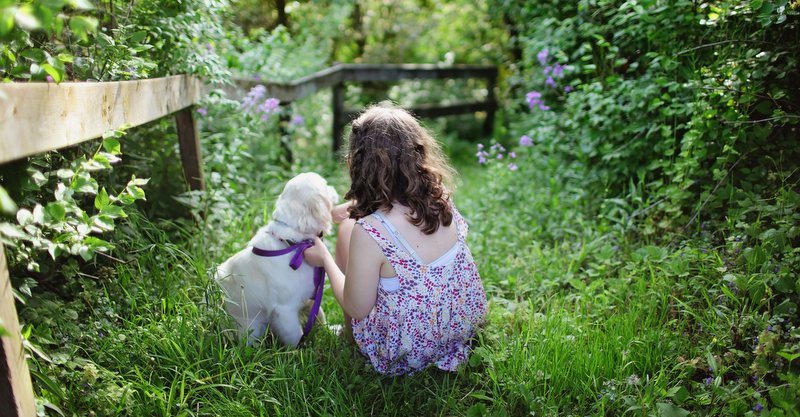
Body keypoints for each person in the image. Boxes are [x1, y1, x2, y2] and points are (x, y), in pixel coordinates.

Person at [303, 104, 487, 375]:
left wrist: (326, 260)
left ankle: (350, 337)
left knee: (346, 231)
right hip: (460, 327)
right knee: (352, 228)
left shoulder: (369, 232)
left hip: (407, 349)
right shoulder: (441, 198)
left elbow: (358, 307)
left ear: (361, 163)